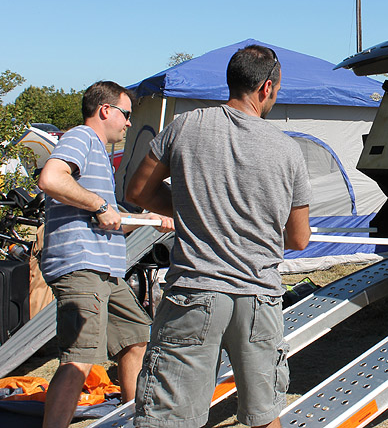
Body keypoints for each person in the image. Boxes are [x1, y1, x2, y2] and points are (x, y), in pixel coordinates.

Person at [127, 45, 311, 428]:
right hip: (259, 297)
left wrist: (196, 209)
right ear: (266, 88)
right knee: (264, 416)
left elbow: (138, 192)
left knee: (170, 419)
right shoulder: (289, 150)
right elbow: (299, 239)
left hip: (194, 293)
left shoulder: (186, 126)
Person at [37, 81, 174, 428]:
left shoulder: (97, 152)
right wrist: (99, 204)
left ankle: (135, 421)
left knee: (137, 339)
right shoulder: (81, 138)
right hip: (82, 265)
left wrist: (149, 219)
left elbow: (109, 222)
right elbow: (51, 179)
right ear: (105, 110)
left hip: (106, 270)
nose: (129, 123)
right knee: (79, 361)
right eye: (126, 115)